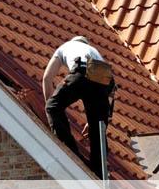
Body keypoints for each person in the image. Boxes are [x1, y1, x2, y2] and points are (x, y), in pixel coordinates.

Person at [43, 36, 115, 178]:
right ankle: (99, 172)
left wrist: (49, 105)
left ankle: (70, 152)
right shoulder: (93, 50)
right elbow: (110, 90)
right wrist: (95, 119)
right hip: (104, 80)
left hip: (82, 69)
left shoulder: (64, 47)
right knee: (97, 129)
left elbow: (47, 78)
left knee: (52, 107)